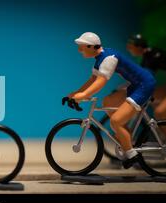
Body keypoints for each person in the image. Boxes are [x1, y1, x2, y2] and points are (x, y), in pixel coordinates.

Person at [65, 32, 156, 169]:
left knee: (116, 121)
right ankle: (125, 135)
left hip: (144, 86)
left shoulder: (109, 58)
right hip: (136, 84)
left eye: (82, 47)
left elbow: (101, 81)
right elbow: (93, 79)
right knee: (108, 101)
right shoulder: (100, 57)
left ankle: (132, 155)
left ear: (91, 46)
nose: (79, 50)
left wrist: (83, 95)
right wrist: (76, 93)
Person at [127, 34, 166, 146]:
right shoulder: (149, 54)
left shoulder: (151, 56)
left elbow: (145, 77)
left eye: (130, 47)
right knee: (153, 100)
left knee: (159, 113)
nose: (129, 49)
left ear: (139, 47)